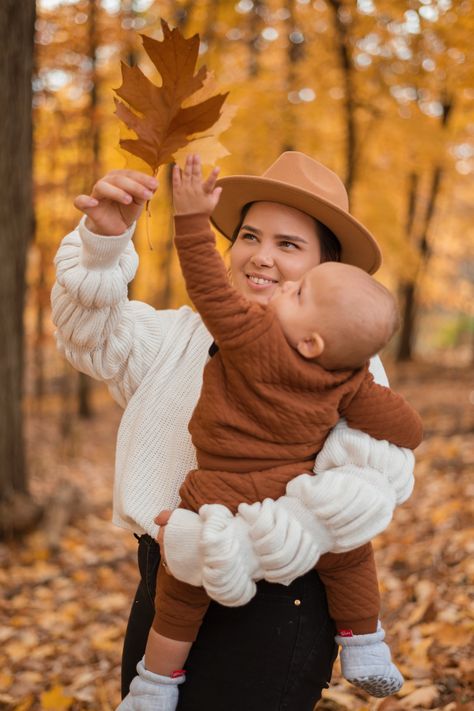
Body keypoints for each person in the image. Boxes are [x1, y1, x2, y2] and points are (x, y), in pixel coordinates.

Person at [52, 151, 416, 711]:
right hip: (167, 584)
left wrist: (225, 545)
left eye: (288, 245)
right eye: (249, 235)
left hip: (276, 601)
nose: (260, 256)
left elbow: (359, 492)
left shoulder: (344, 368)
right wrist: (103, 245)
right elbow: (91, 338)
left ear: (325, 268)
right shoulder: (176, 334)